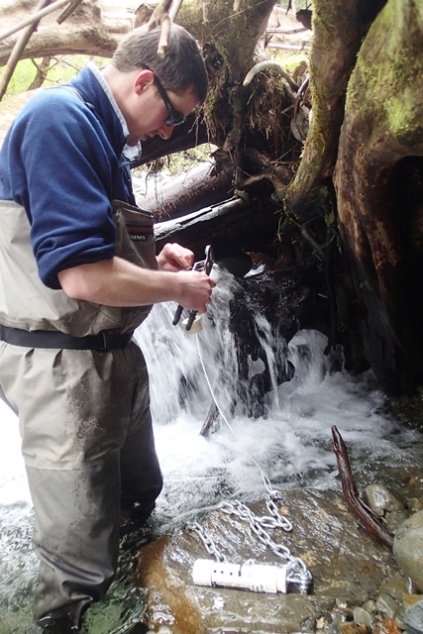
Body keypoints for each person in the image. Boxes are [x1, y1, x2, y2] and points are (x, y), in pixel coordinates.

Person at [0, 23, 215, 633]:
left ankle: (136, 602)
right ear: (145, 81)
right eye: (173, 117)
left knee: (138, 496)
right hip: (63, 370)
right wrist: (177, 288)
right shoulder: (57, 121)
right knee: (77, 572)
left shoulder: (103, 132)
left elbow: (100, 243)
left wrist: (158, 257)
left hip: (113, 358)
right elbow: (81, 277)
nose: (169, 134)